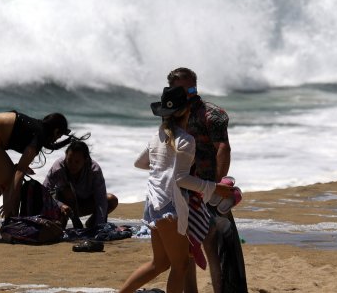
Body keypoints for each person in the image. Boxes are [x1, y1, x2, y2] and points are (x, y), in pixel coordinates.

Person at [118, 86, 233, 293]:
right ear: (187, 110)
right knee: (180, 266)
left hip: (153, 204)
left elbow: (139, 163)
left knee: (160, 264)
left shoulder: (158, 136)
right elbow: (181, 179)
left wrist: (161, 169)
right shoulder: (186, 140)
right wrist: (214, 188)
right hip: (170, 206)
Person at [0, 110, 75, 240]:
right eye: (58, 136)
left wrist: (18, 170)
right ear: (56, 131)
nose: (56, 140)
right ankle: (12, 228)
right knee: (11, 182)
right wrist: (9, 202)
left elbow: (19, 167)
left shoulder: (32, 125)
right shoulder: (39, 133)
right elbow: (19, 172)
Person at [166, 67, 232, 293]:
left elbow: (222, 148)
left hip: (207, 188)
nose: (189, 94)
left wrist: (217, 186)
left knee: (213, 248)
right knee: (186, 249)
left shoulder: (211, 114)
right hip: (181, 189)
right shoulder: (171, 114)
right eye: (182, 90)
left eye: (191, 88)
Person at [43, 138, 119, 229]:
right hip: (65, 206)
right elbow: (43, 192)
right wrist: (60, 205)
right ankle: (65, 222)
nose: (72, 165)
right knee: (57, 230)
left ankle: (91, 223)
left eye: (77, 162)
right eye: (69, 160)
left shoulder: (94, 170)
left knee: (111, 200)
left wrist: (100, 226)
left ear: (85, 160)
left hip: (85, 203)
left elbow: (101, 200)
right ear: (66, 155)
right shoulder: (58, 168)